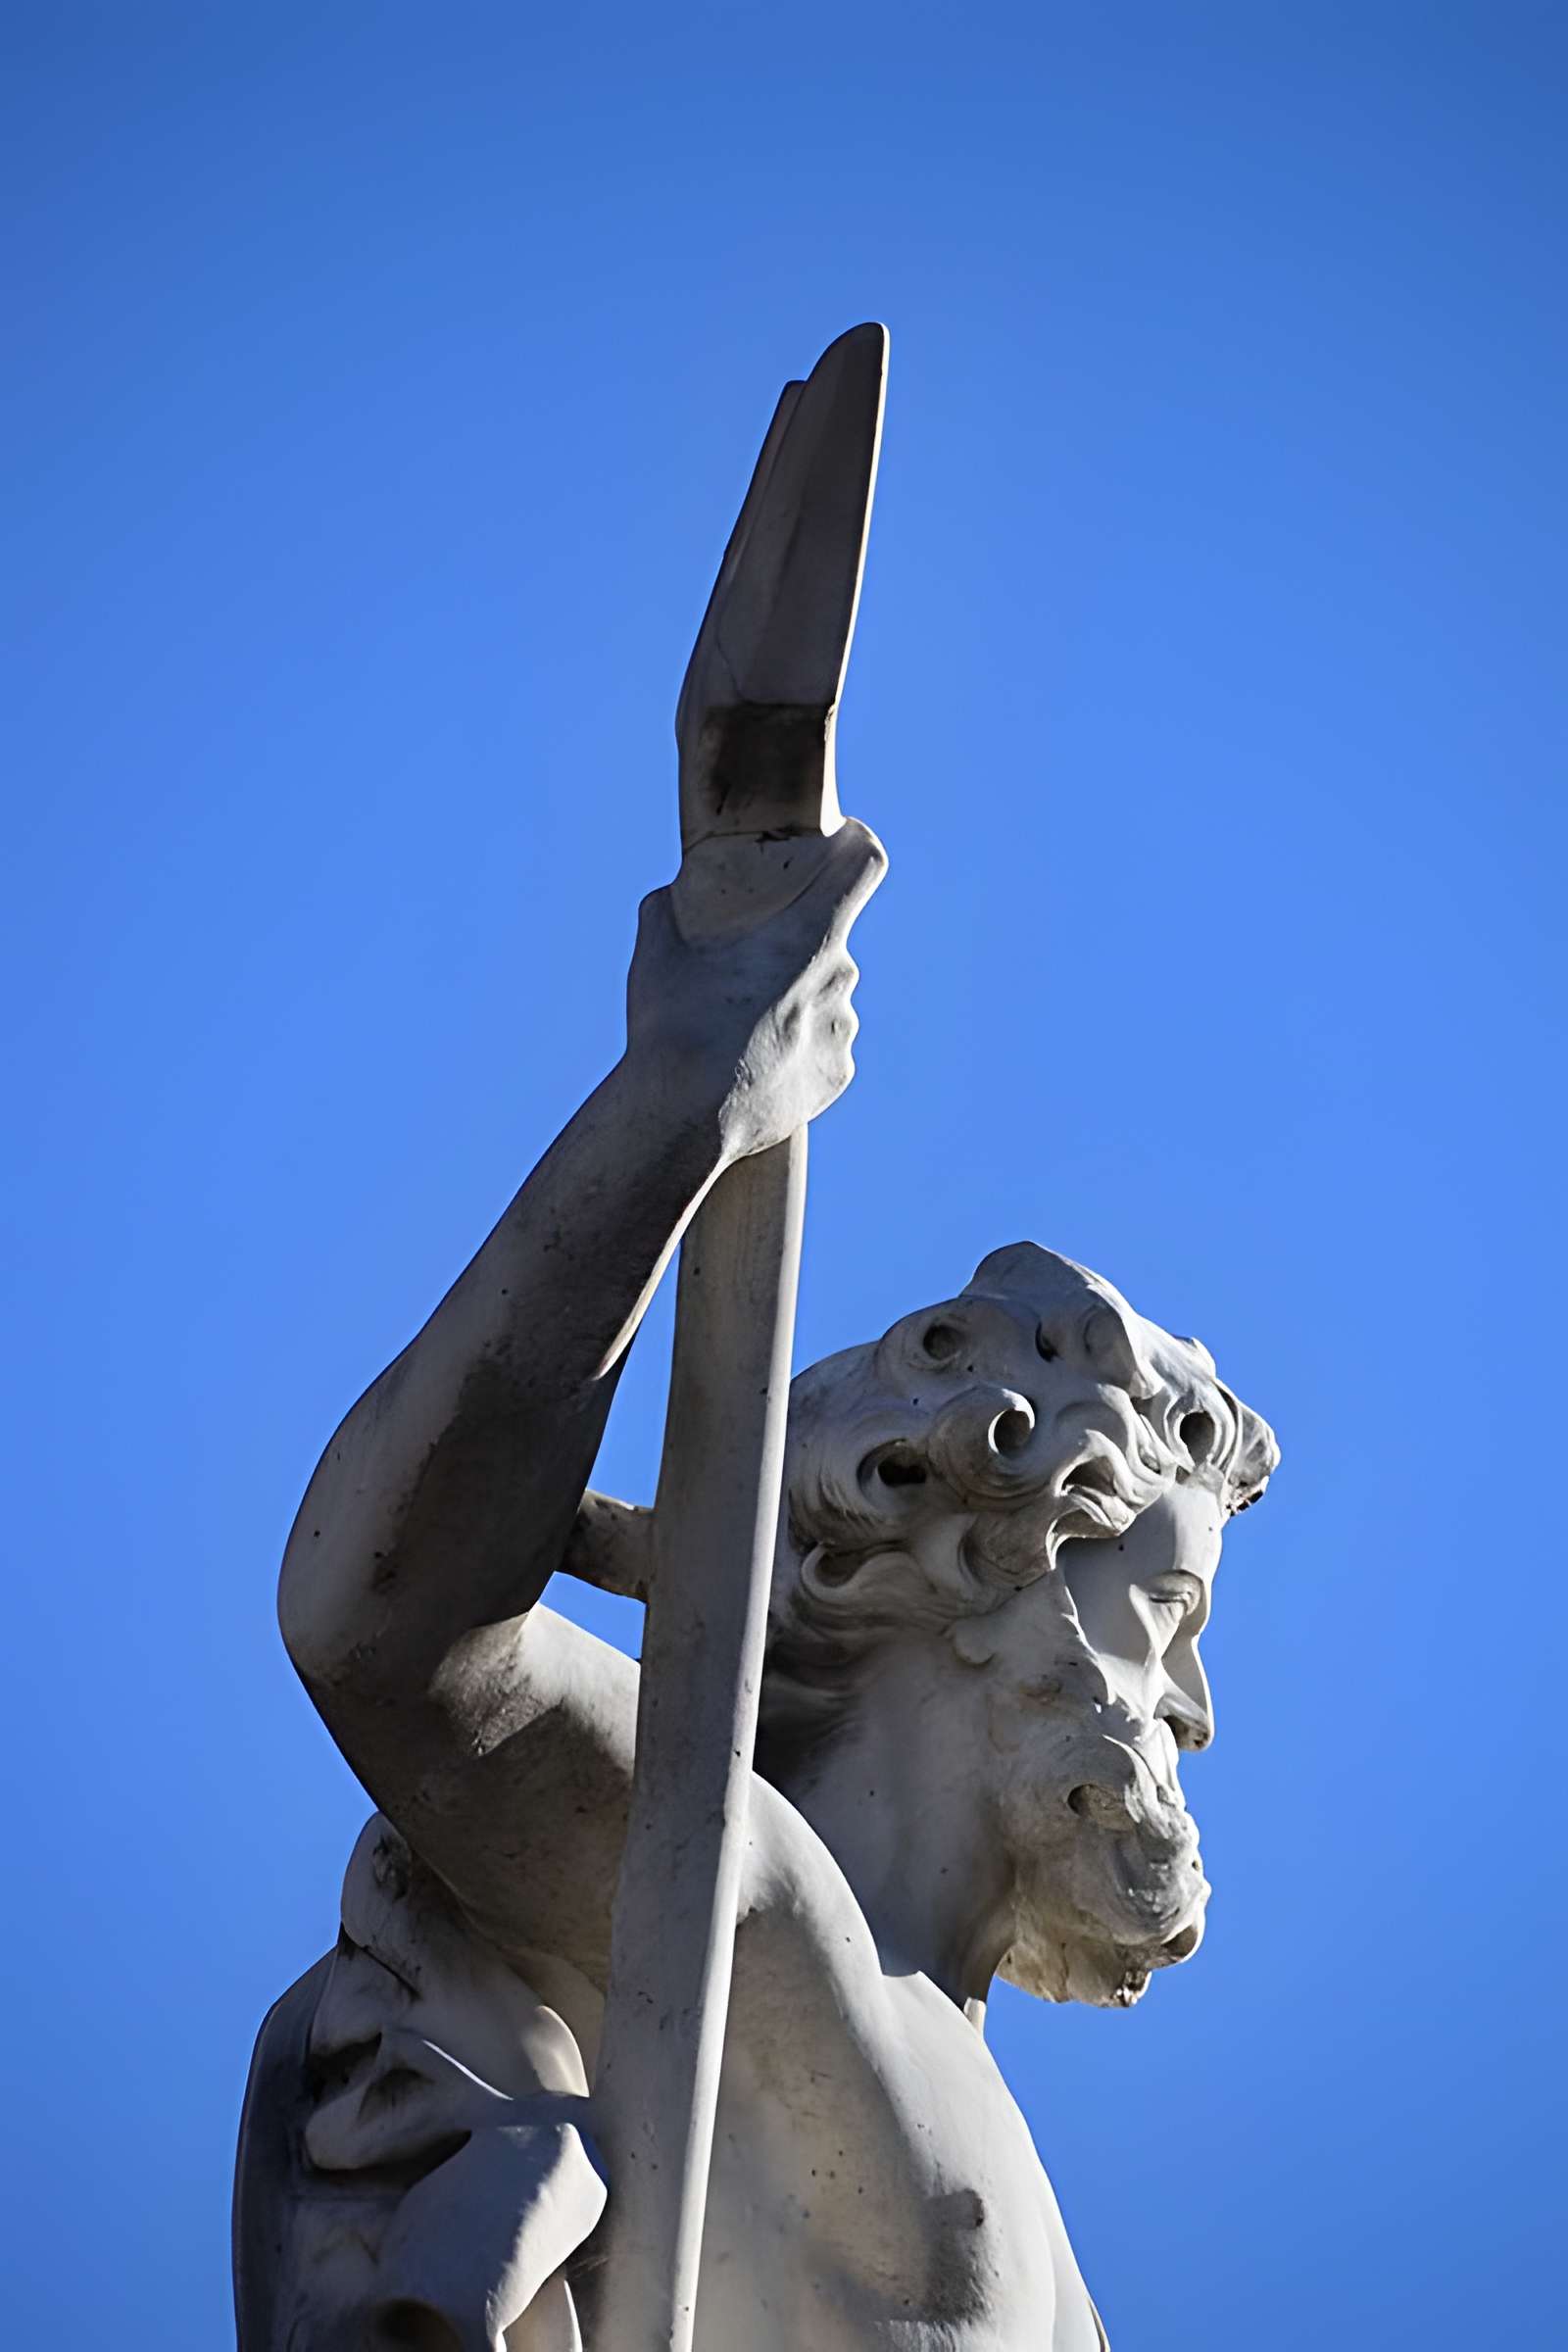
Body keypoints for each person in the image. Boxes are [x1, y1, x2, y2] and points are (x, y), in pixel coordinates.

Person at [235, 819, 1277, 2351]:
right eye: (1168, 1611)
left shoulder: (1053, 2249)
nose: (1191, 1705)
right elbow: (378, 1624)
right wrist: (686, 1098)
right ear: (974, 1569)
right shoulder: (747, 1904)